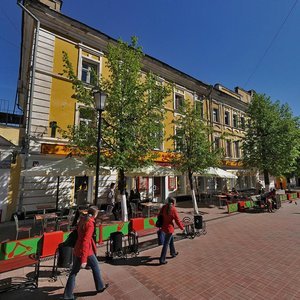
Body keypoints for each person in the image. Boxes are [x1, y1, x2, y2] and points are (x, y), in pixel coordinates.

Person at [63, 206, 108, 299]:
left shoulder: (82, 220)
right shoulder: (90, 224)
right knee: (95, 267)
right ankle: (99, 287)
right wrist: (84, 260)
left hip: (77, 249)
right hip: (86, 252)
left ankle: (68, 295)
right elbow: (85, 241)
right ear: (95, 214)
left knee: (74, 272)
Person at [158, 197, 184, 265]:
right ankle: (162, 259)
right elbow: (177, 220)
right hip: (169, 228)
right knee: (166, 244)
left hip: (164, 227)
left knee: (171, 240)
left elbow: (159, 216)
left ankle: (173, 253)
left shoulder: (164, 207)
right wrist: (182, 228)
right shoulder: (173, 209)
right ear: (173, 202)